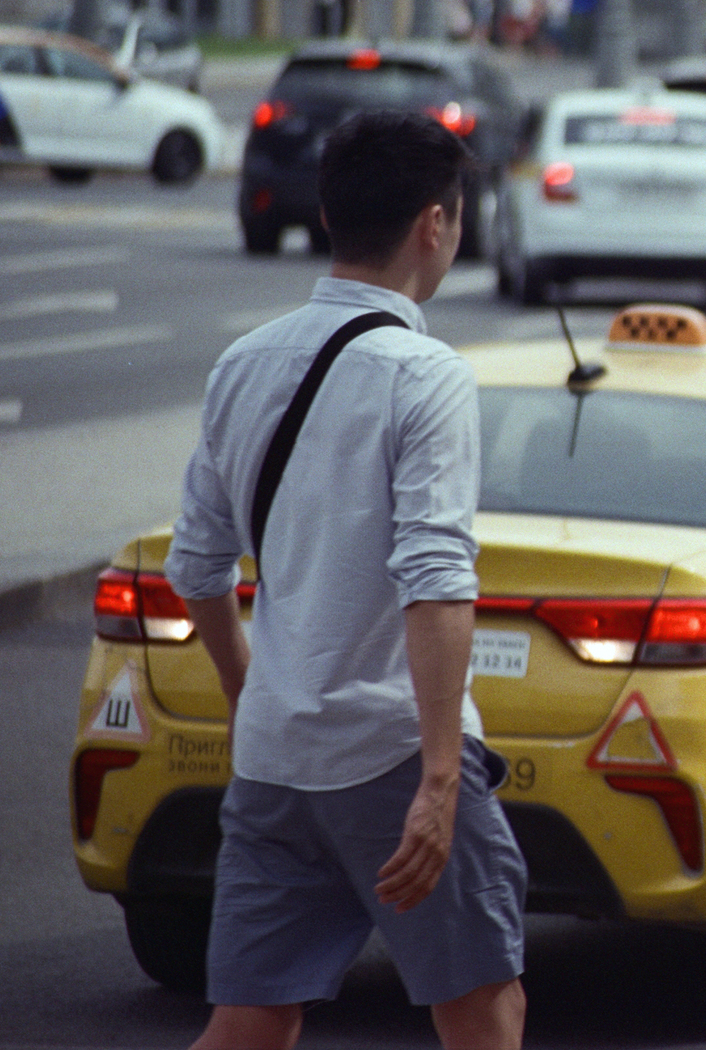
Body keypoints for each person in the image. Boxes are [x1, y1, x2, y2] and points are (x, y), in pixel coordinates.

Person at [165, 110, 527, 1050]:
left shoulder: (241, 364)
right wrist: (443, 778)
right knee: (484, 1007)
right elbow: (437, 580)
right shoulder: (424, 373)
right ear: (436, 226)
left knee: (251, 1020)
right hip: (393, 753)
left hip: (275, 758)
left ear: (327, 213)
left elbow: (197, 563)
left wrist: (252, 693)